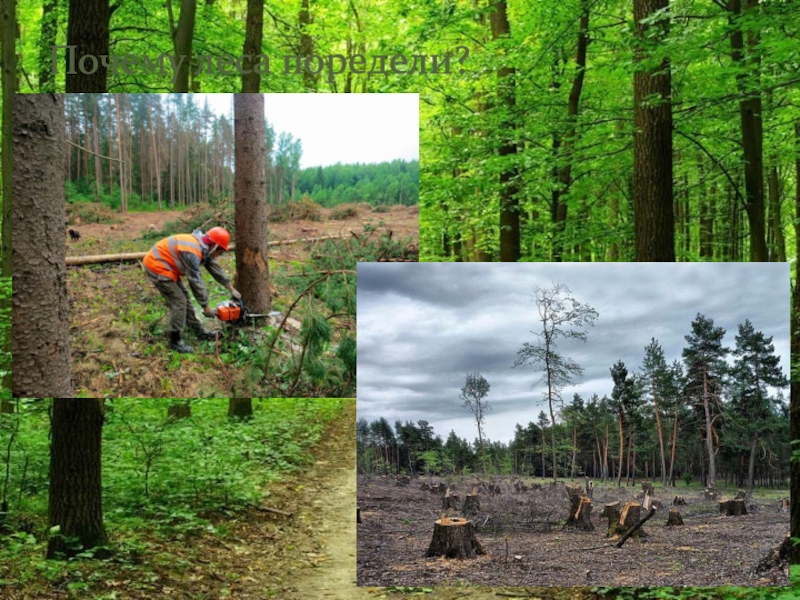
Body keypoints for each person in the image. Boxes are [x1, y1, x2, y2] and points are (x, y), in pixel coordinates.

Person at [143, 226, 241, 353]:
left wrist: (230, 287)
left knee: (185, 299)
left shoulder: (203, 246)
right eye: (220, 252)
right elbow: (195, 281)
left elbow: (214, 268)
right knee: (179, 301)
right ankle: (175, 340)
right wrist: (206, 306)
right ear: (215, 246)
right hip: (157, 266)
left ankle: (198, 331)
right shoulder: (192, 252)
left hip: (168, 267)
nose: (218, 256)